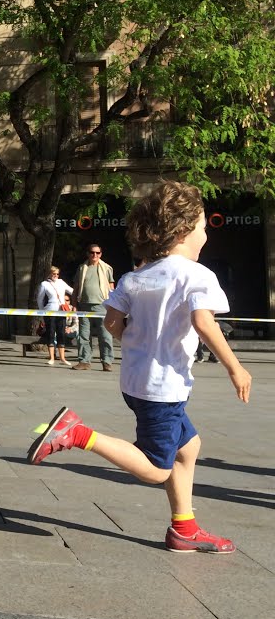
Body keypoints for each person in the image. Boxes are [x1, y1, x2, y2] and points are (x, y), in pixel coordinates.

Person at [27, 181, 251, 553]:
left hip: (135, 382)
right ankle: (79, 434)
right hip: (164, 387)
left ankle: (184, 528)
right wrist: (235, 367)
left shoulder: (135, 277)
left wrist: (141, 340)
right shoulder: (197, 275)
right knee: (156, 468)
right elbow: (203, 322)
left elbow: (112, 324)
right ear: (182, 231)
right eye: (201, 227)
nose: (205, 234)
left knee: (188, 447)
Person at [72, 241, 115, 371]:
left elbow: (112, 287)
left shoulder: (107, 268)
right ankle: (84, 361)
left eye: (97, 252)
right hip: (84, 305)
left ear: (101, 254)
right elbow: (76, 288)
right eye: (92, 252)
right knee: (84, 335)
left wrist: (113, 305)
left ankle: (107, 362)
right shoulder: (81, 268)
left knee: (105, 335)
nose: (94, 255)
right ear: (87, 254)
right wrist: (74, 304)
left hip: (102, 306)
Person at [36, 266, 73, 366]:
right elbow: (40, 299)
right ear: (49, 274)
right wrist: (42, 311)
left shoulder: (61, 282)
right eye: (53, 274)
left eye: (57, 274)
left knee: (61, 333)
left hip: (61, 311)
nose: (55, 276)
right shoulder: (44, 284)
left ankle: (63, 358)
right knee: (51, 333)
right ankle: (52, 357)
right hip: (50, 311)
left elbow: (72, 291)